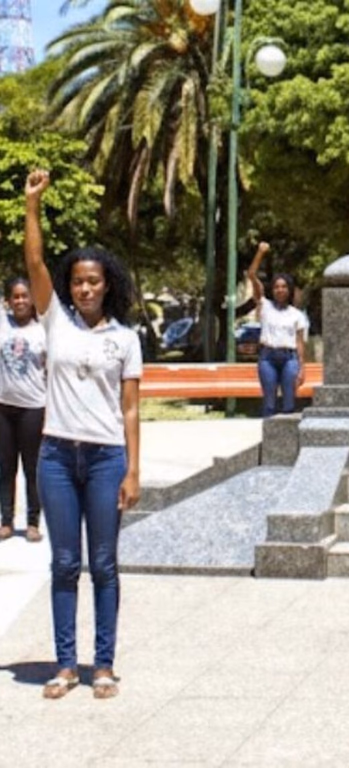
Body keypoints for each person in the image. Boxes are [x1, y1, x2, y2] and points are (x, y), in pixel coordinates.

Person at [23, 170, 142, 701]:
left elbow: (131, 409)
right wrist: (32, 207)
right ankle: (67, 665)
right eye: (78, 281)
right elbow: (33, 264)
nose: (85, 288)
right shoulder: (56, 322)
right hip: (55, 456)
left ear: (107, 284)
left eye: (93, 281)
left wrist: (134, 470)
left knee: (104, 564)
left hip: (105, 459)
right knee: (65, 563)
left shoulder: (126, 339)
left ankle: (104, 665)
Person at [0, 277, 48, 543]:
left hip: (33, 407)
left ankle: (32, 522)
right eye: (15, 296)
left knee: (33, 467)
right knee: (5, 467)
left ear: (33, 300)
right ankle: (6, 521)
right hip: (3, 408)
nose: (20, 301)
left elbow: (51, 371)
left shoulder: (42, 331)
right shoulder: (2, 324)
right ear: (9, 300)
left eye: (24, 296)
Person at [246, 242, 308, 417]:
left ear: (289, 290)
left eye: (283, 287)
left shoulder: (296, 315)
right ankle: (268, 437)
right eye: (276, 287)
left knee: (289, 402)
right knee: (269, 402)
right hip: (268, 358)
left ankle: (286, 438)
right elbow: (251, 275)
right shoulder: (265, 305)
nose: (280, 290)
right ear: (272, 290)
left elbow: (299, 343)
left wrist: (302, 368)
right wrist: (260, 253)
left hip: (289, 358)